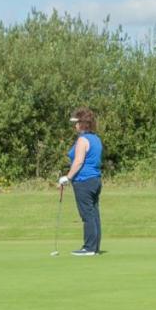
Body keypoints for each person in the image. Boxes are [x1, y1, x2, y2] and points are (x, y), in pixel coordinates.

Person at [58, 108, 103, 256]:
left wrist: (68, 177)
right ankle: (94, 247)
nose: (75, 125)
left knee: (87, 214)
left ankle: (89, 248)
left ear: (83, 124)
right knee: (94, 213)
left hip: (84, 181)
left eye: (77, 123)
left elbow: (78, 162)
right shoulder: (96, 139)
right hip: (95, 180)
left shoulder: (83, 140)